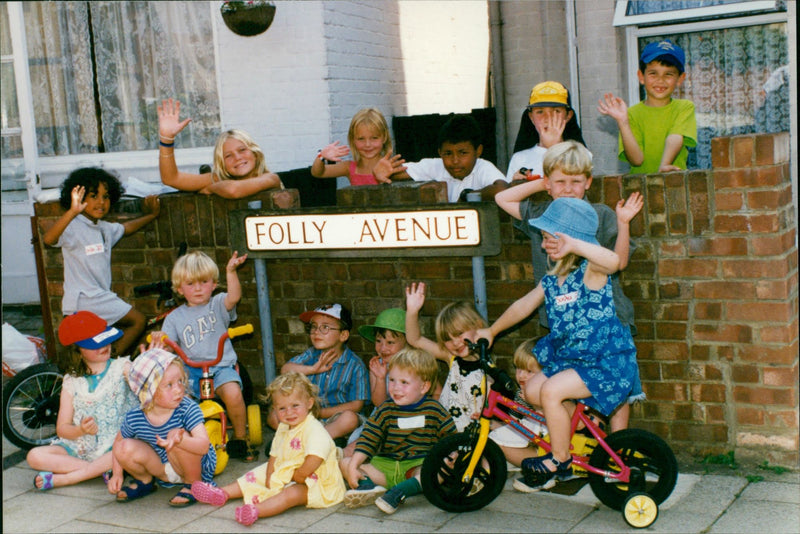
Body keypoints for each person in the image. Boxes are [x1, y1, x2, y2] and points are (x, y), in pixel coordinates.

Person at [476, 197, 639, 493]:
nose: (543, 245)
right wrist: (492, 329)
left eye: (550, 238)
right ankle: (571, 424)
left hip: (604, 361)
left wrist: (576, 245)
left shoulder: (592, 271)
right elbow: (523, 305)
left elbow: (614, 261)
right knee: (534, 390)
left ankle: (560, 460)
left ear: (571, 239)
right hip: (572, 359)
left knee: (551, 391)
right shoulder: (553, 279)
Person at [494, 140, 645, 431]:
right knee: (566, 386)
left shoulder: (598, 214)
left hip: (606, 319)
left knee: (613, 392)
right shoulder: (545, 215)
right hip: (564, 321)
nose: (568, 188)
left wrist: (623, 224)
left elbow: (620, 261)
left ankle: (618, 446)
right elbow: (504, 200)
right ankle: (580, 446)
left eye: (576, 181)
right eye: (560, 182)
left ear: (588, 182)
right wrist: (543, 185)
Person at [191, 372, 346, 526]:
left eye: (295, 406)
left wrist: (298, 476)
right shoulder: (284, 427)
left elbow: (315, 458)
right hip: (288, 468)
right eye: (282, 408)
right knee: (255, 474)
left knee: (291, 494)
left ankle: (256, 511)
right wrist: (269, 476)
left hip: (314, 479)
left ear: (310, 403)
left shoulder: (314, 429)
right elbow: (274, 454)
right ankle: (222, 493)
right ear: (275, 409)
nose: (289, 413)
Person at [151, 249, 256, 462]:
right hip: (190, 370)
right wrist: (160, 338)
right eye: (190, 284)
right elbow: (168, 346)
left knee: (233, 394)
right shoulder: (174, 318)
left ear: (214, 283)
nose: (198, 288)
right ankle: (181, 439)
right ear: (180, 288)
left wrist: (231, 271)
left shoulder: (217, 305)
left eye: (204, 282)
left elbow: (234, 296)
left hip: (220, 367)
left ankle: (241, 438)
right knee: (178, 400)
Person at [43, 167, 160, 356]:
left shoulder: (104, 229)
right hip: (84, 299)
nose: (101, 202)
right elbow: (49, 239)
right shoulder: (73, 227)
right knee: (138, 320)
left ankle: (103, 364)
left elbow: (126, 228)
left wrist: (151, 216)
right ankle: (111, 365)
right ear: (79, 197)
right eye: (93, 196)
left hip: (98, 299)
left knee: (94, 344)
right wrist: (72, 212)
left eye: (105, 197)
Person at [27, 311, 138, 491]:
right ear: (77, 351)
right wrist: (80, 430)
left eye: (105, 340)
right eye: (95, 344)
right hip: (80, 448)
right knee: (34, 456)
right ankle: (97, 470)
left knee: (127, 449)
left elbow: (145, 383)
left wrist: (150, 358)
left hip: (115, 445)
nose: (103, 346)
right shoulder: (72, 381)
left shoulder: (122, 368)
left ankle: (69, 478)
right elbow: (62, 428)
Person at [340, 347, 455, 514]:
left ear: (424, 386)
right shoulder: (386, 409)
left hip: (418, 466)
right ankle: (369, 488)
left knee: (440, 468)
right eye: (392, 380)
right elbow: (369, 438)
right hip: (386, 466)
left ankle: (400, 492)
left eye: (404, 383)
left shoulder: (434, 410)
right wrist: (354, 465)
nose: (395, 388)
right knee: (345, 463)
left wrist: (452, 455)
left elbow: (451, 438)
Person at [110, 347, 215, 506]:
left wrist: (181, 440)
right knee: (123, 446)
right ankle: (145, 481)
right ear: (147, 392)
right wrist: (117, 474)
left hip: (195, 465)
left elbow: (203, 446)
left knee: (175, 433)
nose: (179, 389)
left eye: (180, 381)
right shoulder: (135, 416)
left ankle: (193, 484)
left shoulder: (186, 408)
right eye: (169, 385)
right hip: (163, 468)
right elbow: (118, 443)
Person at [598, 40, 697, 174]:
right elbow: (636, 160)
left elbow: (675, 137)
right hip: (640, 187)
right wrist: (623, 122)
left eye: (668, 74)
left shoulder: (684, 107)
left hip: (674, 182)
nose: (660, 80)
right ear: (641, 76)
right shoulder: (631, 113)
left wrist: (665, 165)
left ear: (680, 79)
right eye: (653, 73)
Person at [275, 303, 370, 441]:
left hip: (336, 417)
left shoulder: (355, 365)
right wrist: (312, 369)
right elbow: (285, 370)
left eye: (325, 327)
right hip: (308, 415)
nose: (316, 332)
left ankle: (307, 442)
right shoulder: (311, 355)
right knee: (274, 415)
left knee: (350, 419)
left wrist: (320, 413)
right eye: (314, 327)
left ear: (343, 335)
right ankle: (318, 440)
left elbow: (356, 405)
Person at [157, 98, 283, 198]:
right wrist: (166, 140)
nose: (237, 157)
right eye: (228, 155)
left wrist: (210, 188)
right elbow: (171, 178)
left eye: (242, 150)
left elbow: (233, 190)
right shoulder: (218, 179)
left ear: (255, 153)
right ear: (222, 164)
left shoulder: (270, 178)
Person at [405, 283, 488, 432]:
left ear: (477, 325)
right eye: (447, 339)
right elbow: (414, 340)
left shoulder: (488, 365)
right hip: (446, 432)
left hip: (475, 435)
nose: (455, 342)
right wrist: (412, 311)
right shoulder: (451, 358)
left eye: (458, 334)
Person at [377, 114, 509, 202]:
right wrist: (382, 171)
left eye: (463, 153)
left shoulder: (483, 167)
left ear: (478, 151)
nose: (455, 160)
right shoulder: (436, 166)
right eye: (448, 153)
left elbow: (502, 189)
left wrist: (466, 195)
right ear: (440, 152)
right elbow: (396, 173)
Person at [506, 81, 588, 182]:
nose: (548, 118)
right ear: (531, 117)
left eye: (556, 111)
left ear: (568, 115)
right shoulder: (519, 158)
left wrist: (553, 146)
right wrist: (515, 185)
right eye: (540, 112)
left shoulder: (581, 154)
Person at [488, 338, 547, 470]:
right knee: (494, 437)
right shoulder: (520, 394)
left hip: (547, 451)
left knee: (496, 444)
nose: (521, 375)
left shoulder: (549, 395)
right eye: (518, 369)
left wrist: (536, 403)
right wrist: (491, 424)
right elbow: (514, 423)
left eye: (529, 371)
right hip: (533, 446)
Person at [311, 108, 406, 186]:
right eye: (361, 139)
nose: (367, 144)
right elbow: (318, 173)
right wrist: (321, 156)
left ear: (384, 137)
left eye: (374, 138)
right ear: (353, 140)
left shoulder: (392, 166)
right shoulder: (348, 167)